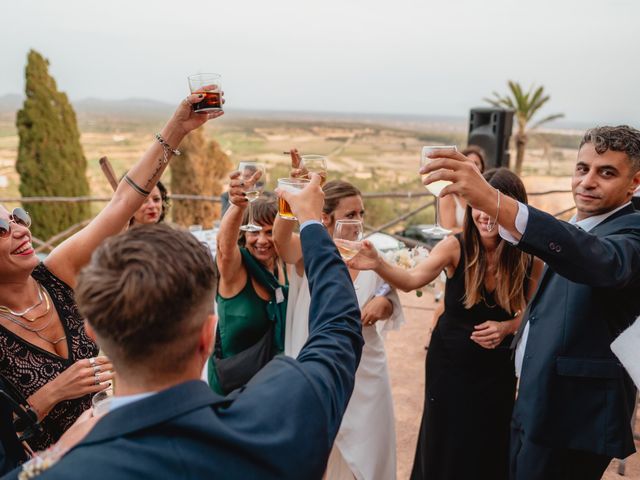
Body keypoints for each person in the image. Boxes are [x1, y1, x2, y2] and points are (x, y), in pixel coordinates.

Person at [4, 174, 364, 479]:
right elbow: (339, 329)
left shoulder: (70, 469)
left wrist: (47, 460)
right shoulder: (284, 413)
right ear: (209, 335)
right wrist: (314, 225)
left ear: (94, 333)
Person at [0, 94, 222, 451]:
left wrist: (177, 128)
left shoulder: (57, 273)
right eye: (1, 228)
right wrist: (53, 392)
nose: (21, 230)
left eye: (17, 219)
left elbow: (122, 203)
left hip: (117, 447)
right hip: (52, 470)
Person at [419, 126, 640, 480]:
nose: (588, 181)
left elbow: (599, 260)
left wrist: (495, 201)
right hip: (536, 405)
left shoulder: (630, 234)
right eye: (583, 169)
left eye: (607, 172)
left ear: (635, 182)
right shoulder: (580, 225)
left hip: (572, 419)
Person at [349, 167, 542, 480]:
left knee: (489, 442)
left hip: (497, 369)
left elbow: (537, 312)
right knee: (445, 441)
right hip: (449, 366)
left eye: (495, 206)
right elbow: (412, 280)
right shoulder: (455, 246)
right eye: (478, 205)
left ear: (513, 208)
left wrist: (508, 327)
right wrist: (378, 264)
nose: (485, 215)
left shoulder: (529, 258)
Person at [274, 164, 404, 480]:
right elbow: (280, 241)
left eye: (362, 212)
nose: (359, 221)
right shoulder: (309, 252)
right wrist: (295, 198)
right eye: (351, 214)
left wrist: (384, 303)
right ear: (327, 217)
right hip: (323, 372)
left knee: (370, 461)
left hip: (369, 376)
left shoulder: (371, 252)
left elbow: (392, 298)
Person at [209, 172, 289, 395]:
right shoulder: (237, 266)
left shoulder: (285, 265)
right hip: (233, 387)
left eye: (270, 232)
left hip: (275, 385)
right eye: (254, 231)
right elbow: (224, 247)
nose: (262, 240)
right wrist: (237, 206)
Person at [439, 145, 486, 232]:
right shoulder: (449, 194)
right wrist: (479, 233)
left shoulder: (485, 193)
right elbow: (449, 230)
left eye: (476, 163)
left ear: (482, 168)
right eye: (468, 163)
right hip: (456, 243)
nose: (472, 167)